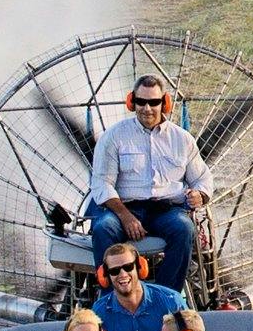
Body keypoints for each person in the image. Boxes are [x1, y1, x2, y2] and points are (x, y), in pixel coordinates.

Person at [87, 74, 209, 293]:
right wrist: (126, 217)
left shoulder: (182, 139)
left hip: (166, 210)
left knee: (184, 228)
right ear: (131, 102)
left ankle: (163, 298)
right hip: (123, 209)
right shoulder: (114, 137)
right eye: (141, 102)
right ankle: (112, 299)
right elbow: (102, 183)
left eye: (153, 102)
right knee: (103, 228)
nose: (147, 108)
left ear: (165, 103)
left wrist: (200, 194)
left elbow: (202, 178)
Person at [92, 246, 178, 331]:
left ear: (139, 267)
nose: (122, 274)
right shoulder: (99, 312)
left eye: (128, 267)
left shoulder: (171, 301)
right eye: (114, 271)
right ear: (105, 276)